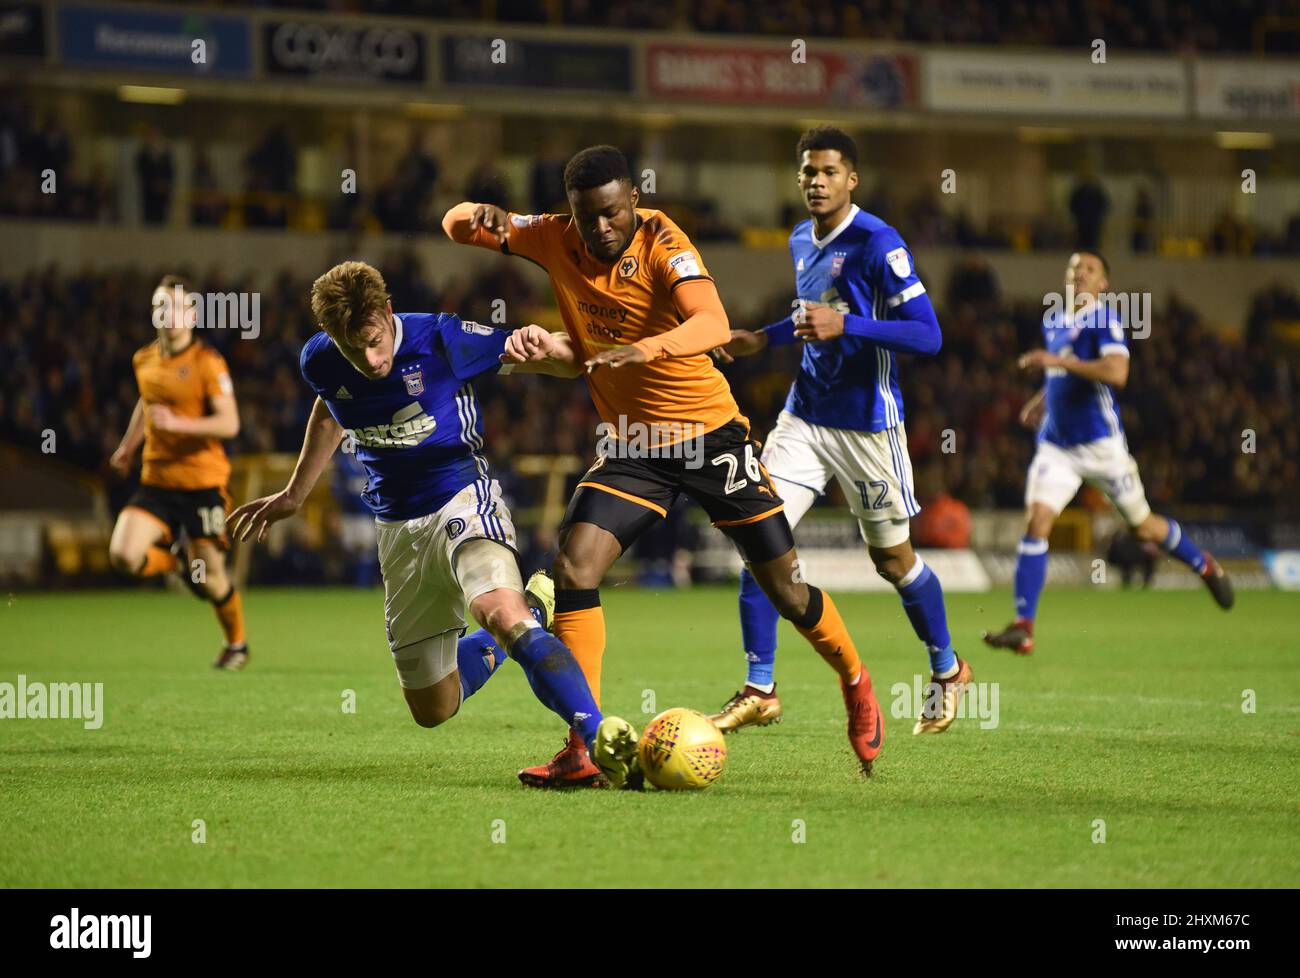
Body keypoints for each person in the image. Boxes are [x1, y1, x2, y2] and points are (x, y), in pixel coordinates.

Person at [444, 145, 885, 787]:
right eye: (587, 215)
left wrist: (645, 349)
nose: (601, 228)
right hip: (632, 446)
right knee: (573, 566)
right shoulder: (551, 237)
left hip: (711, 438)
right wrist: (482, 216)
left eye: (613, 212)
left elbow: (712, 321)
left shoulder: (661, 240)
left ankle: (855, 680)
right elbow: (455, 224)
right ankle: (582, 744)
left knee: (786, 590)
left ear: (633, 202)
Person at [227, 261, 636, 783]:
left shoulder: (443, 337)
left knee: (498, 612)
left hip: (462, 498)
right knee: (434, 708)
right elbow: (331, 409)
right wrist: (294, 492)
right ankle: (535, 603)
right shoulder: (320, 359)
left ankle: (598, 737)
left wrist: (546, 345)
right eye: (354, 349)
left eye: (375, 341)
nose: (371, 360)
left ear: (387, 311)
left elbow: (565, 362)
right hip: (397, 528)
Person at [713, 127, 971, 736]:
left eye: (828, 172)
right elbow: (809, 315)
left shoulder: (880, 243)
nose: (816, 182)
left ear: (851, 179)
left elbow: (928, 335)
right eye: (807, 172)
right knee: (760, 537)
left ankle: (947, 667)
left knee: (894, 561)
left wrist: (849, 324)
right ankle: (761, 687)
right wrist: (762, 338)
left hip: (868, 427)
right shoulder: (800, 237)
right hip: (803, 417)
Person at [983, 252, 1234, 655]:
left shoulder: (1105, 320)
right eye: (1074, 269)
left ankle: (1203, 563)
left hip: (1102, 446)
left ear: (1103, 285)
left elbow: (1117, 373)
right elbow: (1062, 374)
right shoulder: (1055, 321)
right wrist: (1042, 399)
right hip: (1057, 446)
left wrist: (1056, 361)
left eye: (1090, 270)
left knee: (1143, 526)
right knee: (1038, 521)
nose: (1080, 274)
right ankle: (1023, 626)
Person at [108, 275, 247, 669]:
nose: (170, 315)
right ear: (153, 314)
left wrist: (178, 425)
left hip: (203, 483)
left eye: (178, 307)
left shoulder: (208, 363)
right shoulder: (143, 359)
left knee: (208, 581)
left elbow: (229, 424)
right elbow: (147, 403)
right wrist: (127, 446)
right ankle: (174, 561)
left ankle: (237, 643)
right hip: (157, 481)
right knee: (123, 555)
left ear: (193, 314)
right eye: (161, 307)